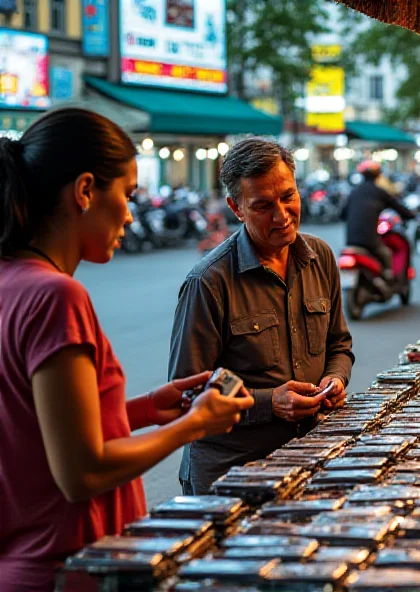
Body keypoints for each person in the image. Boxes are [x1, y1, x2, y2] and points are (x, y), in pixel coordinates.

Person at [0, 108, 252, 591]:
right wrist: (193, 425)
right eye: (128, 195)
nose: (132, 214)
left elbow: (36, 430)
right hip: (69, 567)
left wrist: (141, 411)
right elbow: (82, 472)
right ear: (85, 191)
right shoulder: (55, 296)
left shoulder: (12, 284)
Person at [170, 138, 355, 496]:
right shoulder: (208, 283)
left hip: (309, 460)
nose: (282, 216)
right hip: (231, 477)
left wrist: (335, 378)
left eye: (288, 197)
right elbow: (188, 395)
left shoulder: (321, 257)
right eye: (263, 206)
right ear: (236, 208)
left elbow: (339, 344)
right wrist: (271, 403)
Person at [343, 160, 415, 279]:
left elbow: (343, 214)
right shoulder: (379, 192)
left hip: (351, 241)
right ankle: (389, 278)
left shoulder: (354, 192)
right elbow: (398, 208)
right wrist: (410, 215)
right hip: (370, 241)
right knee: (387, 254)